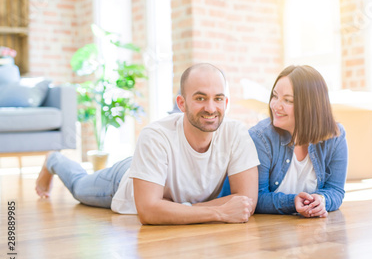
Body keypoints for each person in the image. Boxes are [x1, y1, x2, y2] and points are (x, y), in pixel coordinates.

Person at [36, 63, 260, 225]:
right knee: (78, 186)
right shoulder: (155, 135)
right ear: (182, 103)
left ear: (226, 102)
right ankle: (54, 159)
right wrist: (219, 212)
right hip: (126, 182)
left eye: (218, 98)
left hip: (157, 179)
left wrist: (176, 209)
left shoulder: (236, 133)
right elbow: (149, 211)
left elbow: (245, 202)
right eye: (200, 98)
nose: (211, 108)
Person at [248, 65, 348, 218]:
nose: (275, 105)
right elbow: (256, 198)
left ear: (310, 106)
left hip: (312, 232)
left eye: (287, 100)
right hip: (266, 231)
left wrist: (321, 200)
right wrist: (292, 202)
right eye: (275, 96)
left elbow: (336, 190)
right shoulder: (261, 138)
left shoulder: (335, 137)